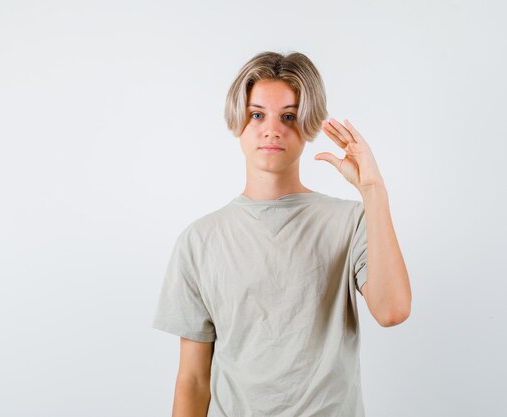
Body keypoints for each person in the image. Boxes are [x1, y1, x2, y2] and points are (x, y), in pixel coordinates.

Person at [151, 51, 412, 417]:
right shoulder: (199, 240)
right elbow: (193, 380)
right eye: (257, 114)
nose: (271, 129)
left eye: (288, 116)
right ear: (237, 121)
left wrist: (373, 190)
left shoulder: (350, 221)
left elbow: (392, 310)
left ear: (309, 125)